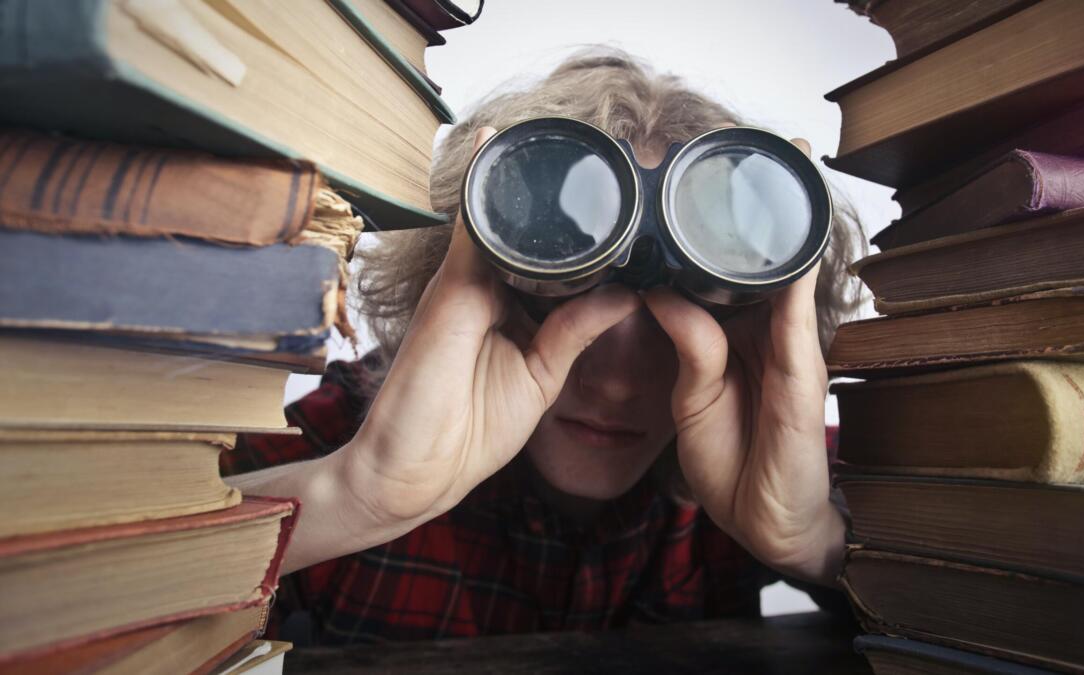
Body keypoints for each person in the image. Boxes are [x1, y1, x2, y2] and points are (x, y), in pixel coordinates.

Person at [222, 48, 865, 645]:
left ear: (752, 332)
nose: (615, 383)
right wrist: (353, 494)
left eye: (680, 320)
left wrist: (813, 540)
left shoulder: (774, 456)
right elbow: (118, 587)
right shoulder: (329, 441)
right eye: (562, 299)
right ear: (460, 287)